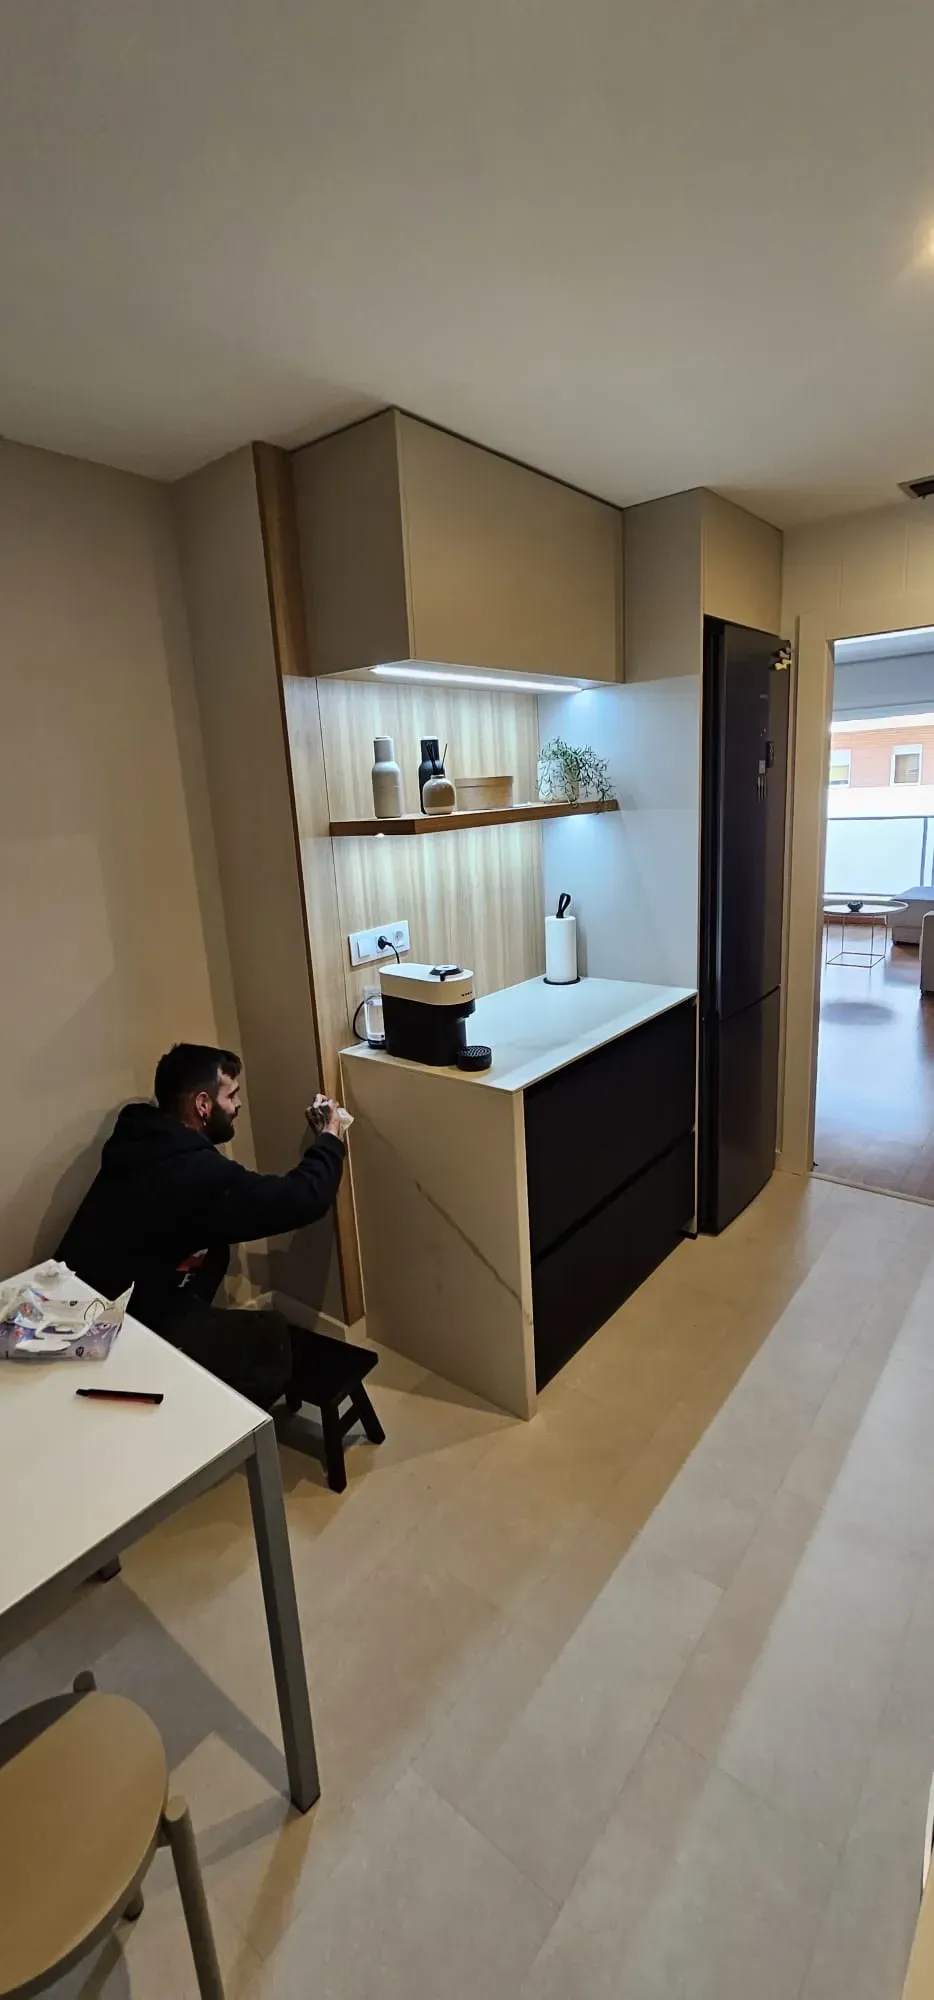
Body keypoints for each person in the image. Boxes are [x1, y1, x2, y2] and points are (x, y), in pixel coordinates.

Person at [57, 1043, 345, 1409]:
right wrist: (330, 1136)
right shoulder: (194, 1175)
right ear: (203, 1105)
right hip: (109, 1330)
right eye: (232, 1095)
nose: (238, 1105)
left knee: (215, 1252)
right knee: (270, 1335)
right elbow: (303, 1198)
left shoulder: (141, 1139)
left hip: (91, 1293)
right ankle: (218, 1420)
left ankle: (180, 1358)